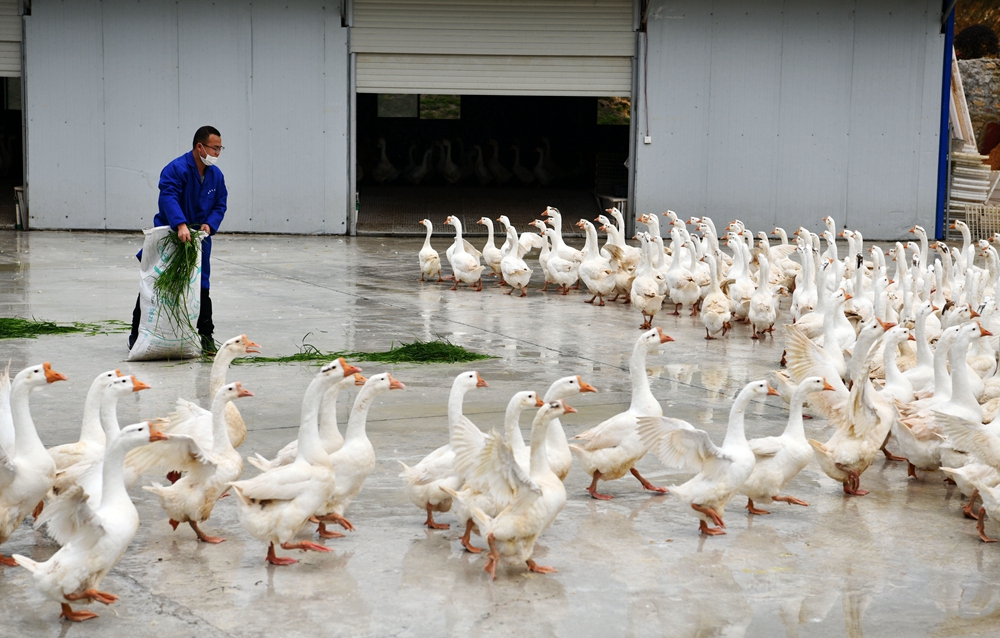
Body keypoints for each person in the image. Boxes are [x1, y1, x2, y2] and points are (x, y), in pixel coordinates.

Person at [128, 126, 228, 354]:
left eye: (220, 148)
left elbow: (220, 203)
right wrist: (180, 224)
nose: (217, 153)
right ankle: (137, 336)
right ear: (200, 147)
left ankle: (206, 337)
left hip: (198, 240)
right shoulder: (176, 169)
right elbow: (168, 196)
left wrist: (209, 225)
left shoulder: (216, 175)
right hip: (171, 236)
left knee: (201, 286)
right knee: (154, 285)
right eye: (214, 148)